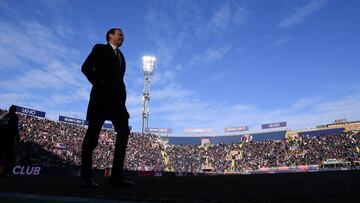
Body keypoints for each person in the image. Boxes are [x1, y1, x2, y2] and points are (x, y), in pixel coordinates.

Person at [80, 28, 133, 188]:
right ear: (110, 36)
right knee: (92, 137)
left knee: (124, 132)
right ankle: (85, 178)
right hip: (101, 100)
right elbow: (86, 68)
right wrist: (99, 82)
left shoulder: (121, 56)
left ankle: (116, 177)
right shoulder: (100, 48)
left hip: (118, 103)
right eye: (120, 34)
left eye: (123, 35)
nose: (122, 37)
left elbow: (119, 78)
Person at [0, 105, 20, 177]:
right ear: (14, 110)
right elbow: (14, 127)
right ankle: (6, 172)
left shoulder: (4, 117)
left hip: (1, 139)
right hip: (8, 139)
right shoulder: (14, 116)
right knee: (9, 156)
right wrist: (17, 138)